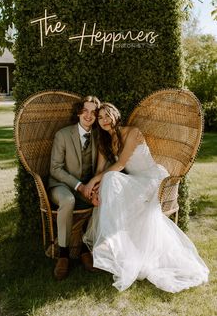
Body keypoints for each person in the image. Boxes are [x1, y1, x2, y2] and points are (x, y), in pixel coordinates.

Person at [83, 102, 209, 293]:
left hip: (152, 179)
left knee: (111, 177)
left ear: (116, 115)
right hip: (134, 181)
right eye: (100, 118)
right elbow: (101, 170)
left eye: (107, 115)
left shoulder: (132, 132)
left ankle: (109, 240)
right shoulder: (105, 141)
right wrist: (95, 190)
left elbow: (120, 164)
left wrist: (92, 182)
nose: (104, 120)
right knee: (109, 181)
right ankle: (112, 242)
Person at [48, 95, 100, 280]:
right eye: (85, 110)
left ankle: (86, 247)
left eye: (93, 112)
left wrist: (95, 186)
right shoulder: (63, 135)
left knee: (102, 199)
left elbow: (103, 164)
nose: (89, 115)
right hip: (61, 186)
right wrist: (78, 186)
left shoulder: (98, 136)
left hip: (87, 186)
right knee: (68, 200)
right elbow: (55, 168)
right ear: (78, 112)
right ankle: (63, 255)